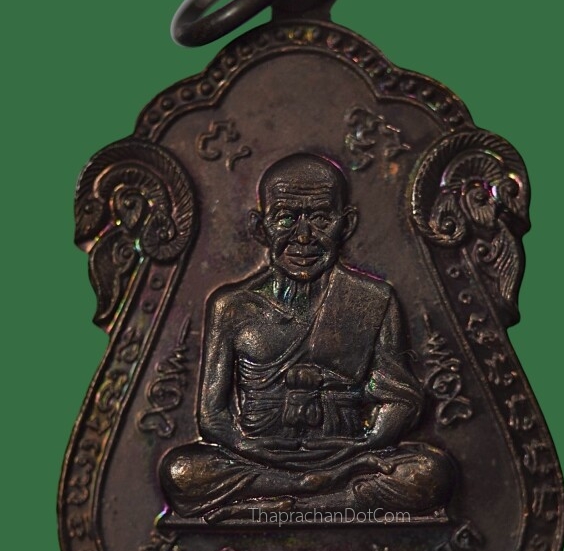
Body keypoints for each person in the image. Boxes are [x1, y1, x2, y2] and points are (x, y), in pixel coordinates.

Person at [160, 153, 453, 520]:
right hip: (259, 456)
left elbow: (400, 399)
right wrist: (251, 448)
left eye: (320, 218)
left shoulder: (372, 300)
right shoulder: (232, 306)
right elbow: (212, 416)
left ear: (346, 224)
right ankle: (311, 492)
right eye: (286, 218)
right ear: (260, 227)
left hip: (346, 453)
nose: (303, 237)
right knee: (181, 472)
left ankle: (294, 502)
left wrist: (362, 445)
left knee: (429, 474)